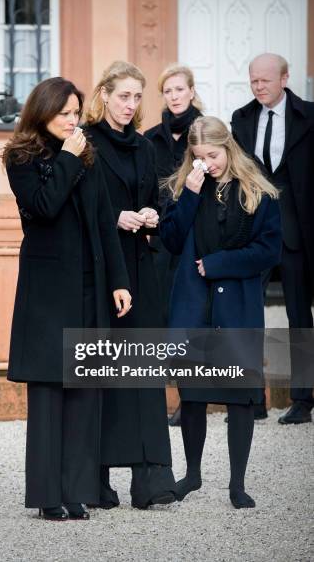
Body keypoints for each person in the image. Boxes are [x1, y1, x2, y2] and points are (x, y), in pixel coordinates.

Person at [2, 77, 131, 521]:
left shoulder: (85, 154)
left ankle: (77, 490)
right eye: (65, 114)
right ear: (43, 113)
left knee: (84, 390)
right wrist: (70, 159)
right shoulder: (20, 157)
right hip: (47, 290)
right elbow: (44, 206)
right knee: (49, 391)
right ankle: (46, 494)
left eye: (77, 113)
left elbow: (102, 221)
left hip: (90, 284)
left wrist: (119, 280)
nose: (74, 121)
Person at [160, 116, 281, 509]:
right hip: (194, 308)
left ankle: (237, 484)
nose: (207, 163)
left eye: (212, 155)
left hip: (237, 310)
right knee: (192, 395)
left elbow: (269, 251)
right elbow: (172, 240)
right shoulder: (187, 187)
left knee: (240, 397)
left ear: (227, 148)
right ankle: (192, 475)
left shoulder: (256, 190)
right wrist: (190, 196)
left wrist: (220, 263)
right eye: (198, 157)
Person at [84, 60, 176, 509]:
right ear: (104, 93)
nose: (131, 104)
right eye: (124, 95)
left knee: (144, 375)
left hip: (141, 268)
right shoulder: (86, 142)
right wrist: (113, 217)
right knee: (104, 373)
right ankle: (97, 481)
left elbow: (153, 196)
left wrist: (152, 214)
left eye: (138, 97)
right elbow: (79, 206)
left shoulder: (143, 146)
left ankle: (152, 483)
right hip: (102, 270)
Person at [231, 53, 314, 425]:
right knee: (247, 313)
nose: (259, 87)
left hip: (299, 233)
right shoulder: (242, 119)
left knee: (299, 315)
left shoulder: (309, 116)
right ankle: (252, 398)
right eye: (253, 81)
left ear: (285, 78)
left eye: (265, 80)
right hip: (256, 231)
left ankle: (303, 399)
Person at [144, 63, 203, 426]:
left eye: (180, 89)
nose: (175, 96)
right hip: (161, 240)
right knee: (160, 320)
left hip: (197, 239)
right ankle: (158, 400)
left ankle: (191, 399)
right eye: (168, 91)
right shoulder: (150, 138)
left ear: (192, 92)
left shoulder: (209, 133)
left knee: (191, 322)